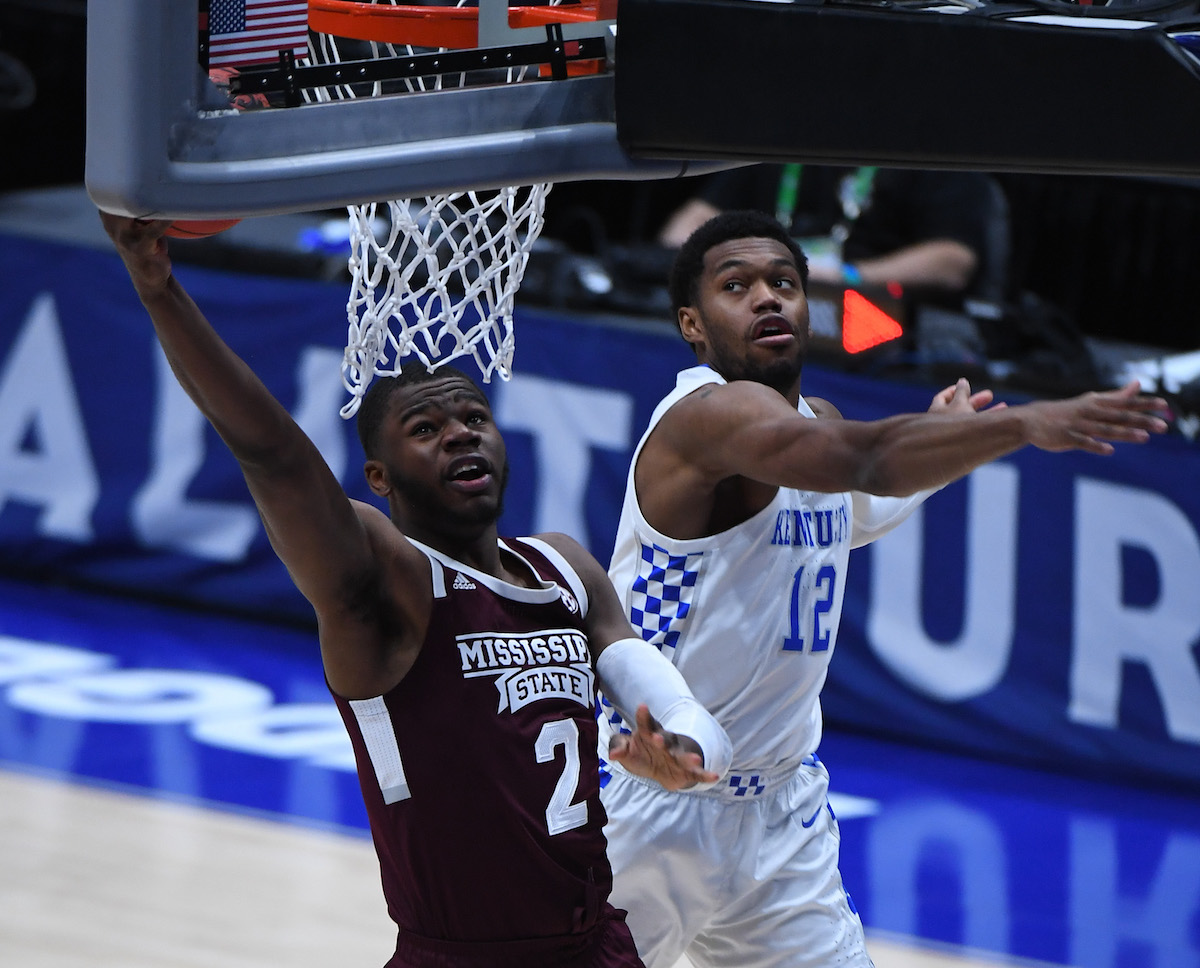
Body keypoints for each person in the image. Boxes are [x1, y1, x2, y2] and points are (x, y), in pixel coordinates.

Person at [97, 212, 733, 968]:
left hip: (601, 946)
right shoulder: (383, 585)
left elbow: (674, 707)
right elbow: (271, 454)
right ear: (380, 477)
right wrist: (159, 289)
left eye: (475, 417)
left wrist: (688, 753)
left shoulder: (564, 568)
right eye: (425, 429)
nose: (461, 433)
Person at [596, 210, 1167, 968]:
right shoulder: (708, 416)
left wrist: (945, 439)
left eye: (784, 283)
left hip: (779, 812)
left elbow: (862, 506)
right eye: (736, 286)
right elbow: (868, 461)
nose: (767, 298)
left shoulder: (815, 423)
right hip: (652, 800)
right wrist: (1022, 425)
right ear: (691, 325)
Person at [658, 164, 999, 303]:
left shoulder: (926, 151)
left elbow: (953, 260)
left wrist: (848, 276)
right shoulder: (782, 141)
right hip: (765, 298)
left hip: (869, 313)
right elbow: (683, 229)